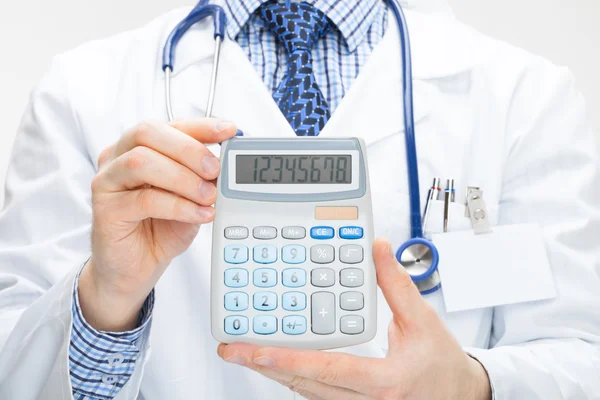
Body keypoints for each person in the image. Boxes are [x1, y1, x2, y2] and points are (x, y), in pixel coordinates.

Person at [0, 0, 599, 399]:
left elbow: (581, 357)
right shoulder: (81, 92)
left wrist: (472, 386)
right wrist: (103, 305)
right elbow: (15, 374)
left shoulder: (522, 95)